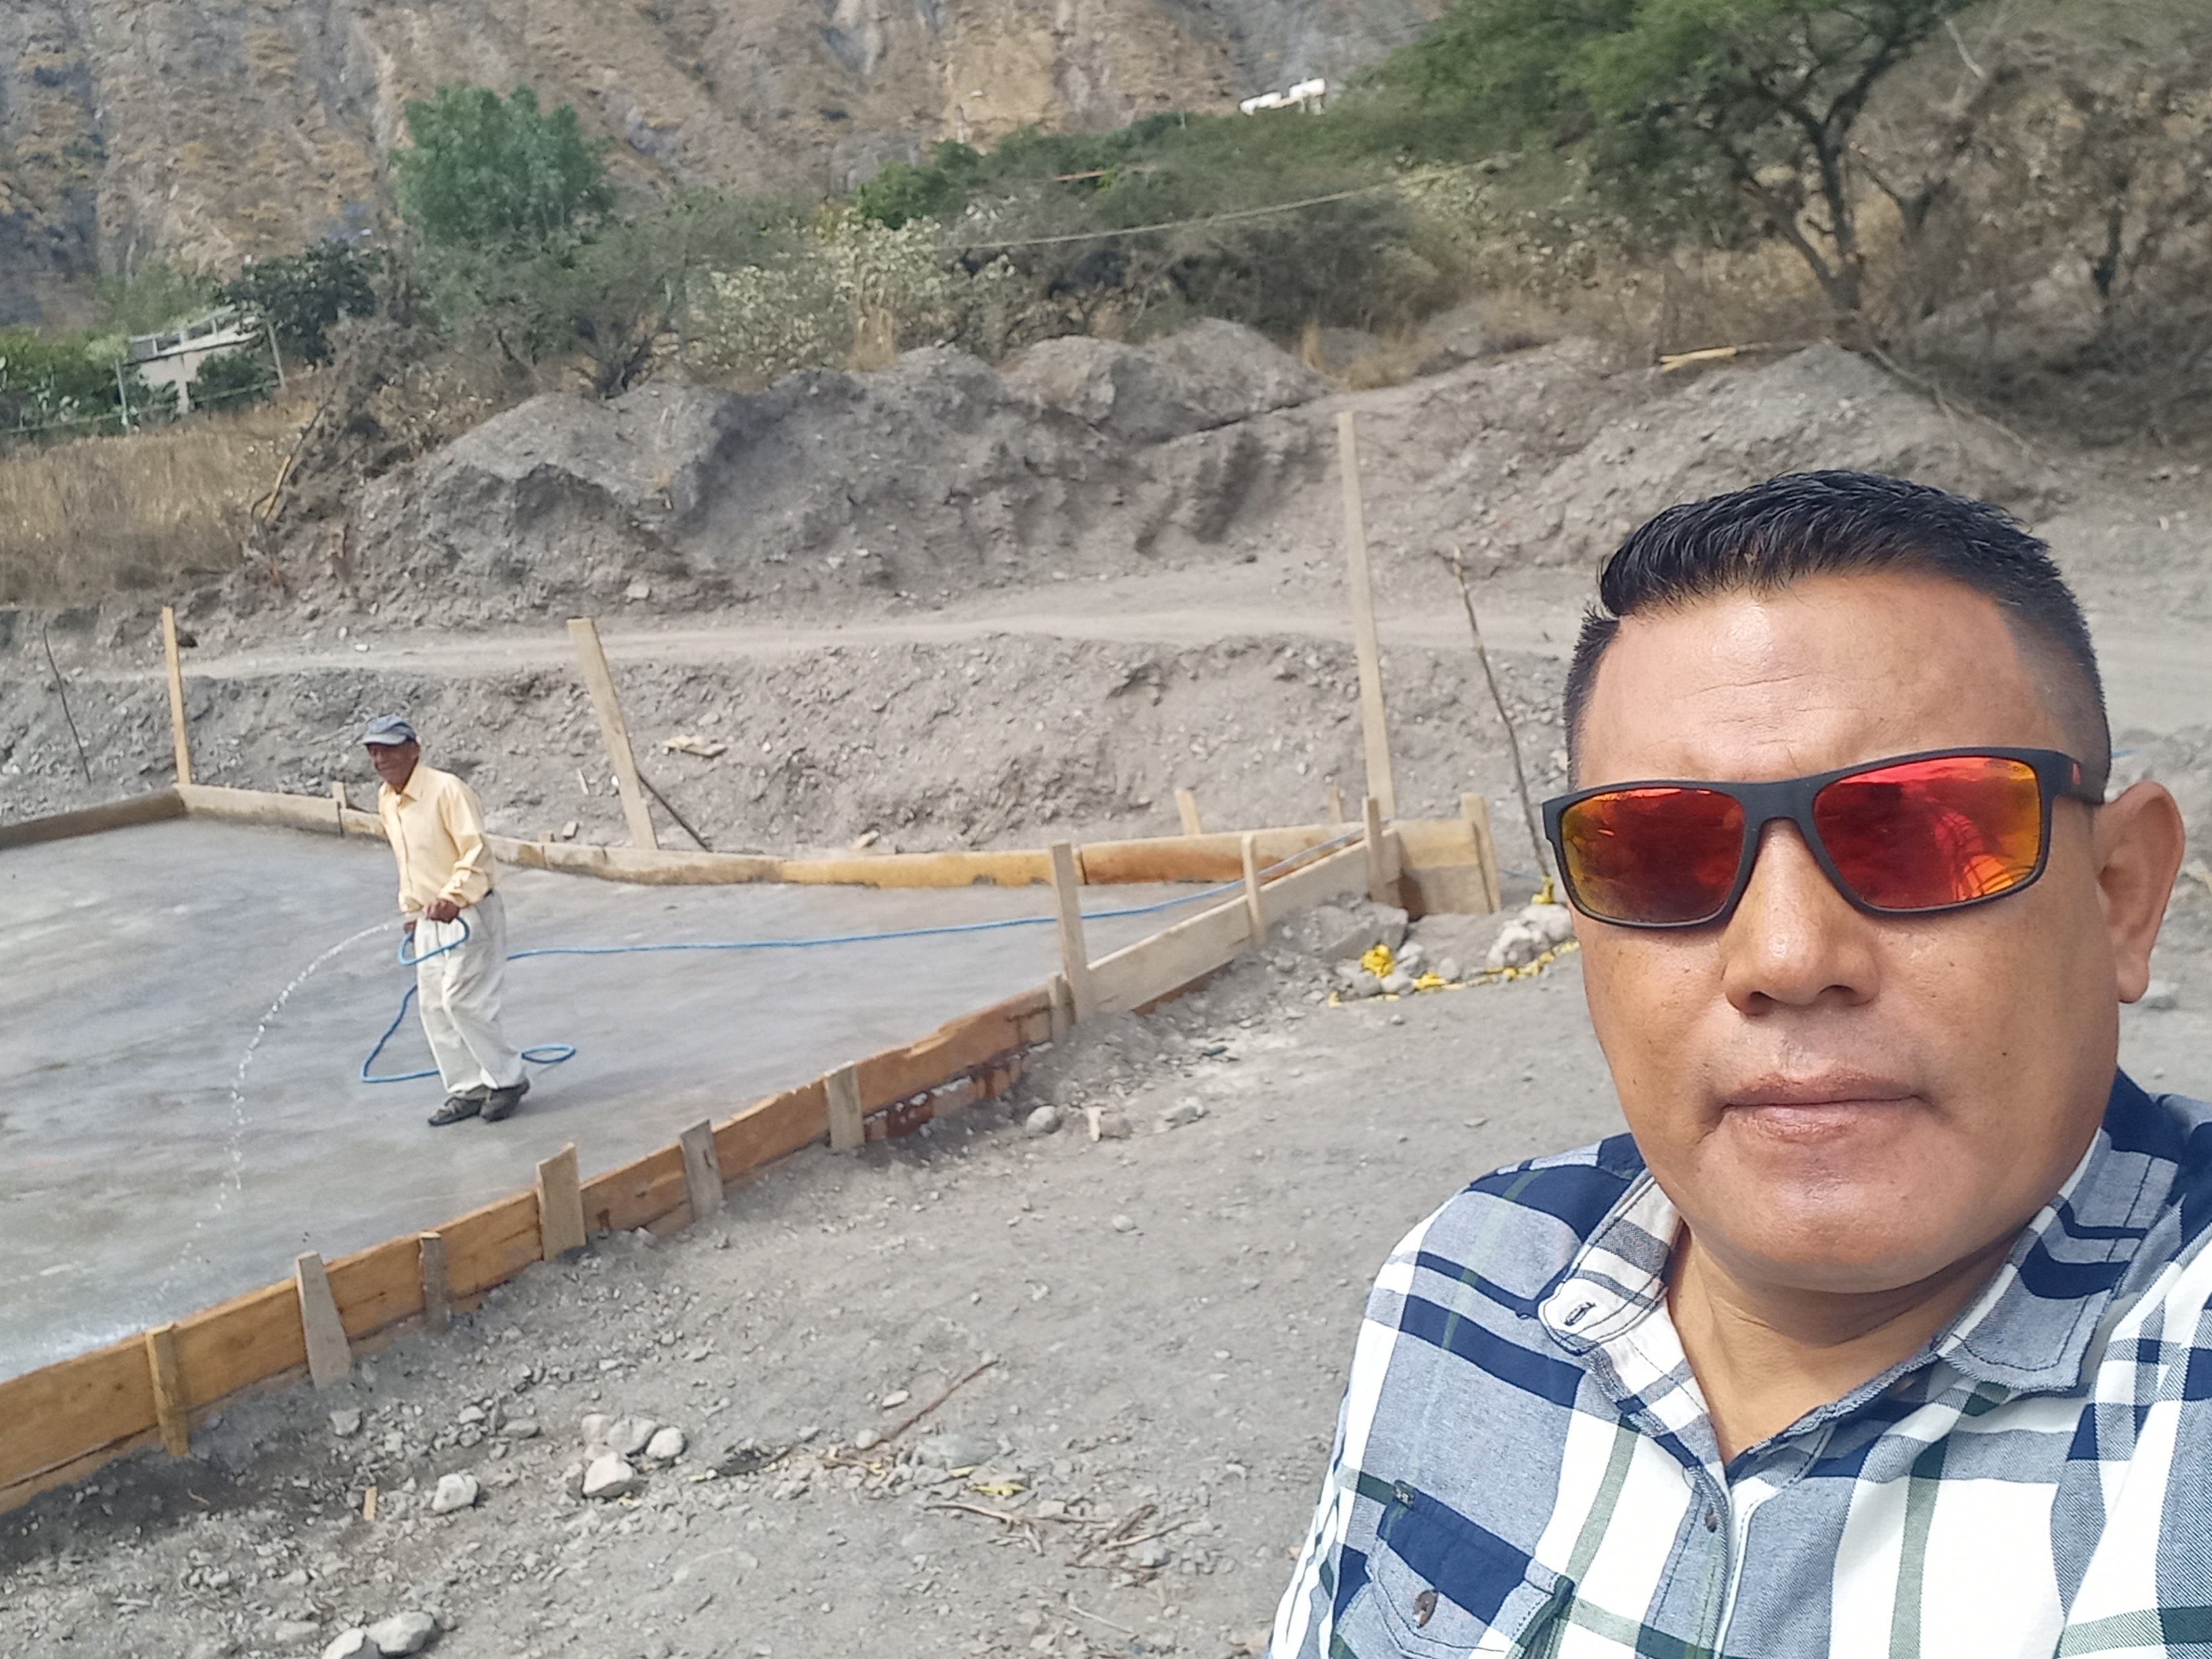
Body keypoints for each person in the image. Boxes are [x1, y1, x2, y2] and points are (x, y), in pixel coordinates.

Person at [1271, 471, 2196, 1658]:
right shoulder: (1459, 1288)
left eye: (1920, 832)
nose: (1787, 956)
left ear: (2120, 895)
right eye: (1659, 853)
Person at [363, 715, 530, 1127]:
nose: (380, 760)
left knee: (463, 1000)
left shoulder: (447, 790)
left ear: (414, 749)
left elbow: (475, 851)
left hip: (469, 911)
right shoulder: (388, 799)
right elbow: (408, 860)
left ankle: (507, 1079)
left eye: (388, 750)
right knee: (435, 1005)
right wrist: (411, 909)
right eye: (373, 752)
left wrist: (453, 896)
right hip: (429, 917)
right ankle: (468, 1088)